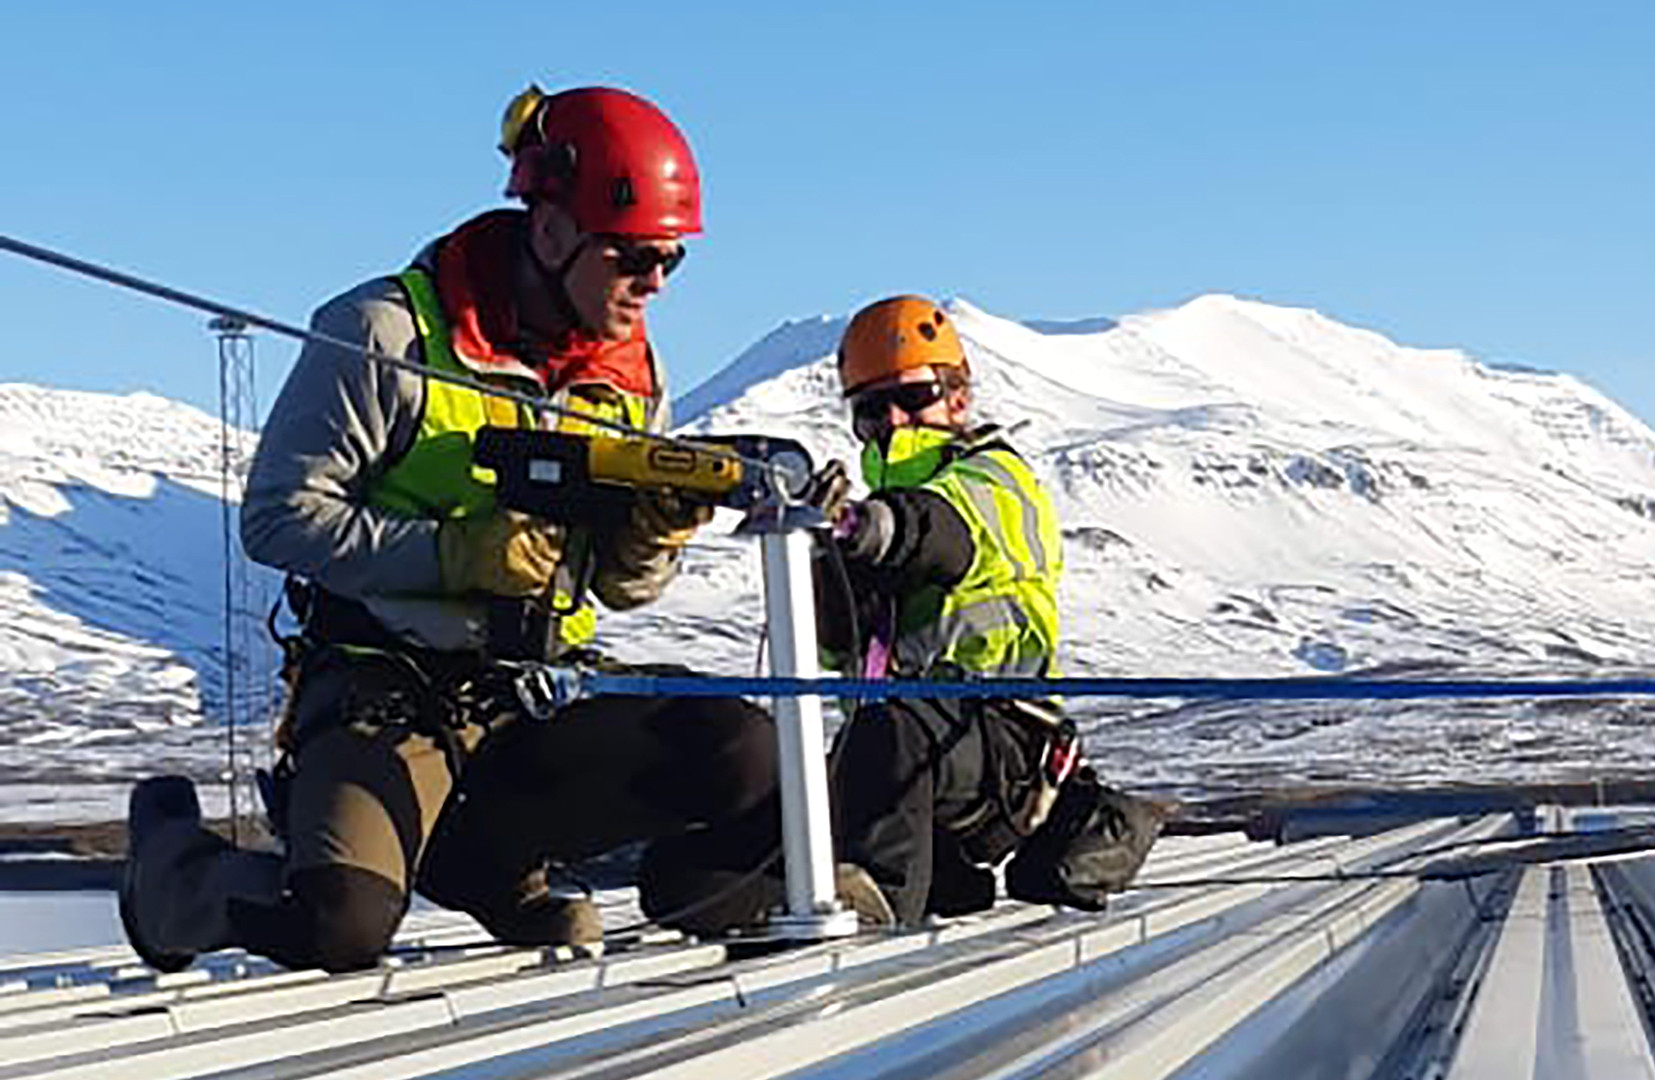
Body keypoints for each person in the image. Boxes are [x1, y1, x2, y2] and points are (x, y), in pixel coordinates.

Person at [118, 85, 780, 973]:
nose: (654, 282)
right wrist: (454, 557)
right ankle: (171, 872)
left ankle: (490, 864)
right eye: (633, 257)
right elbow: (276, 520)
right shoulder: (380, 333)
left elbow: (619, 590)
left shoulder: (631, 375)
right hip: (383, 689)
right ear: (550, 232)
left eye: (671, 260)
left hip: (533, 694)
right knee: (337, 927)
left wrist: (648, 539)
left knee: (739, 747)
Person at [639, 296, 1162, 932]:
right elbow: (841, 646)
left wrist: (855, 527)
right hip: (893, 773)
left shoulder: (995, 482)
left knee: (891, 727)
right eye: (870, 408)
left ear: (959, 399)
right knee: (685, 874)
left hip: (999, 750)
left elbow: (936, 532)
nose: (893, 419)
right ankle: (924, 879)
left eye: (913, 397)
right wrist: (826, 563)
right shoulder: (862, 521)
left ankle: (881, 906)